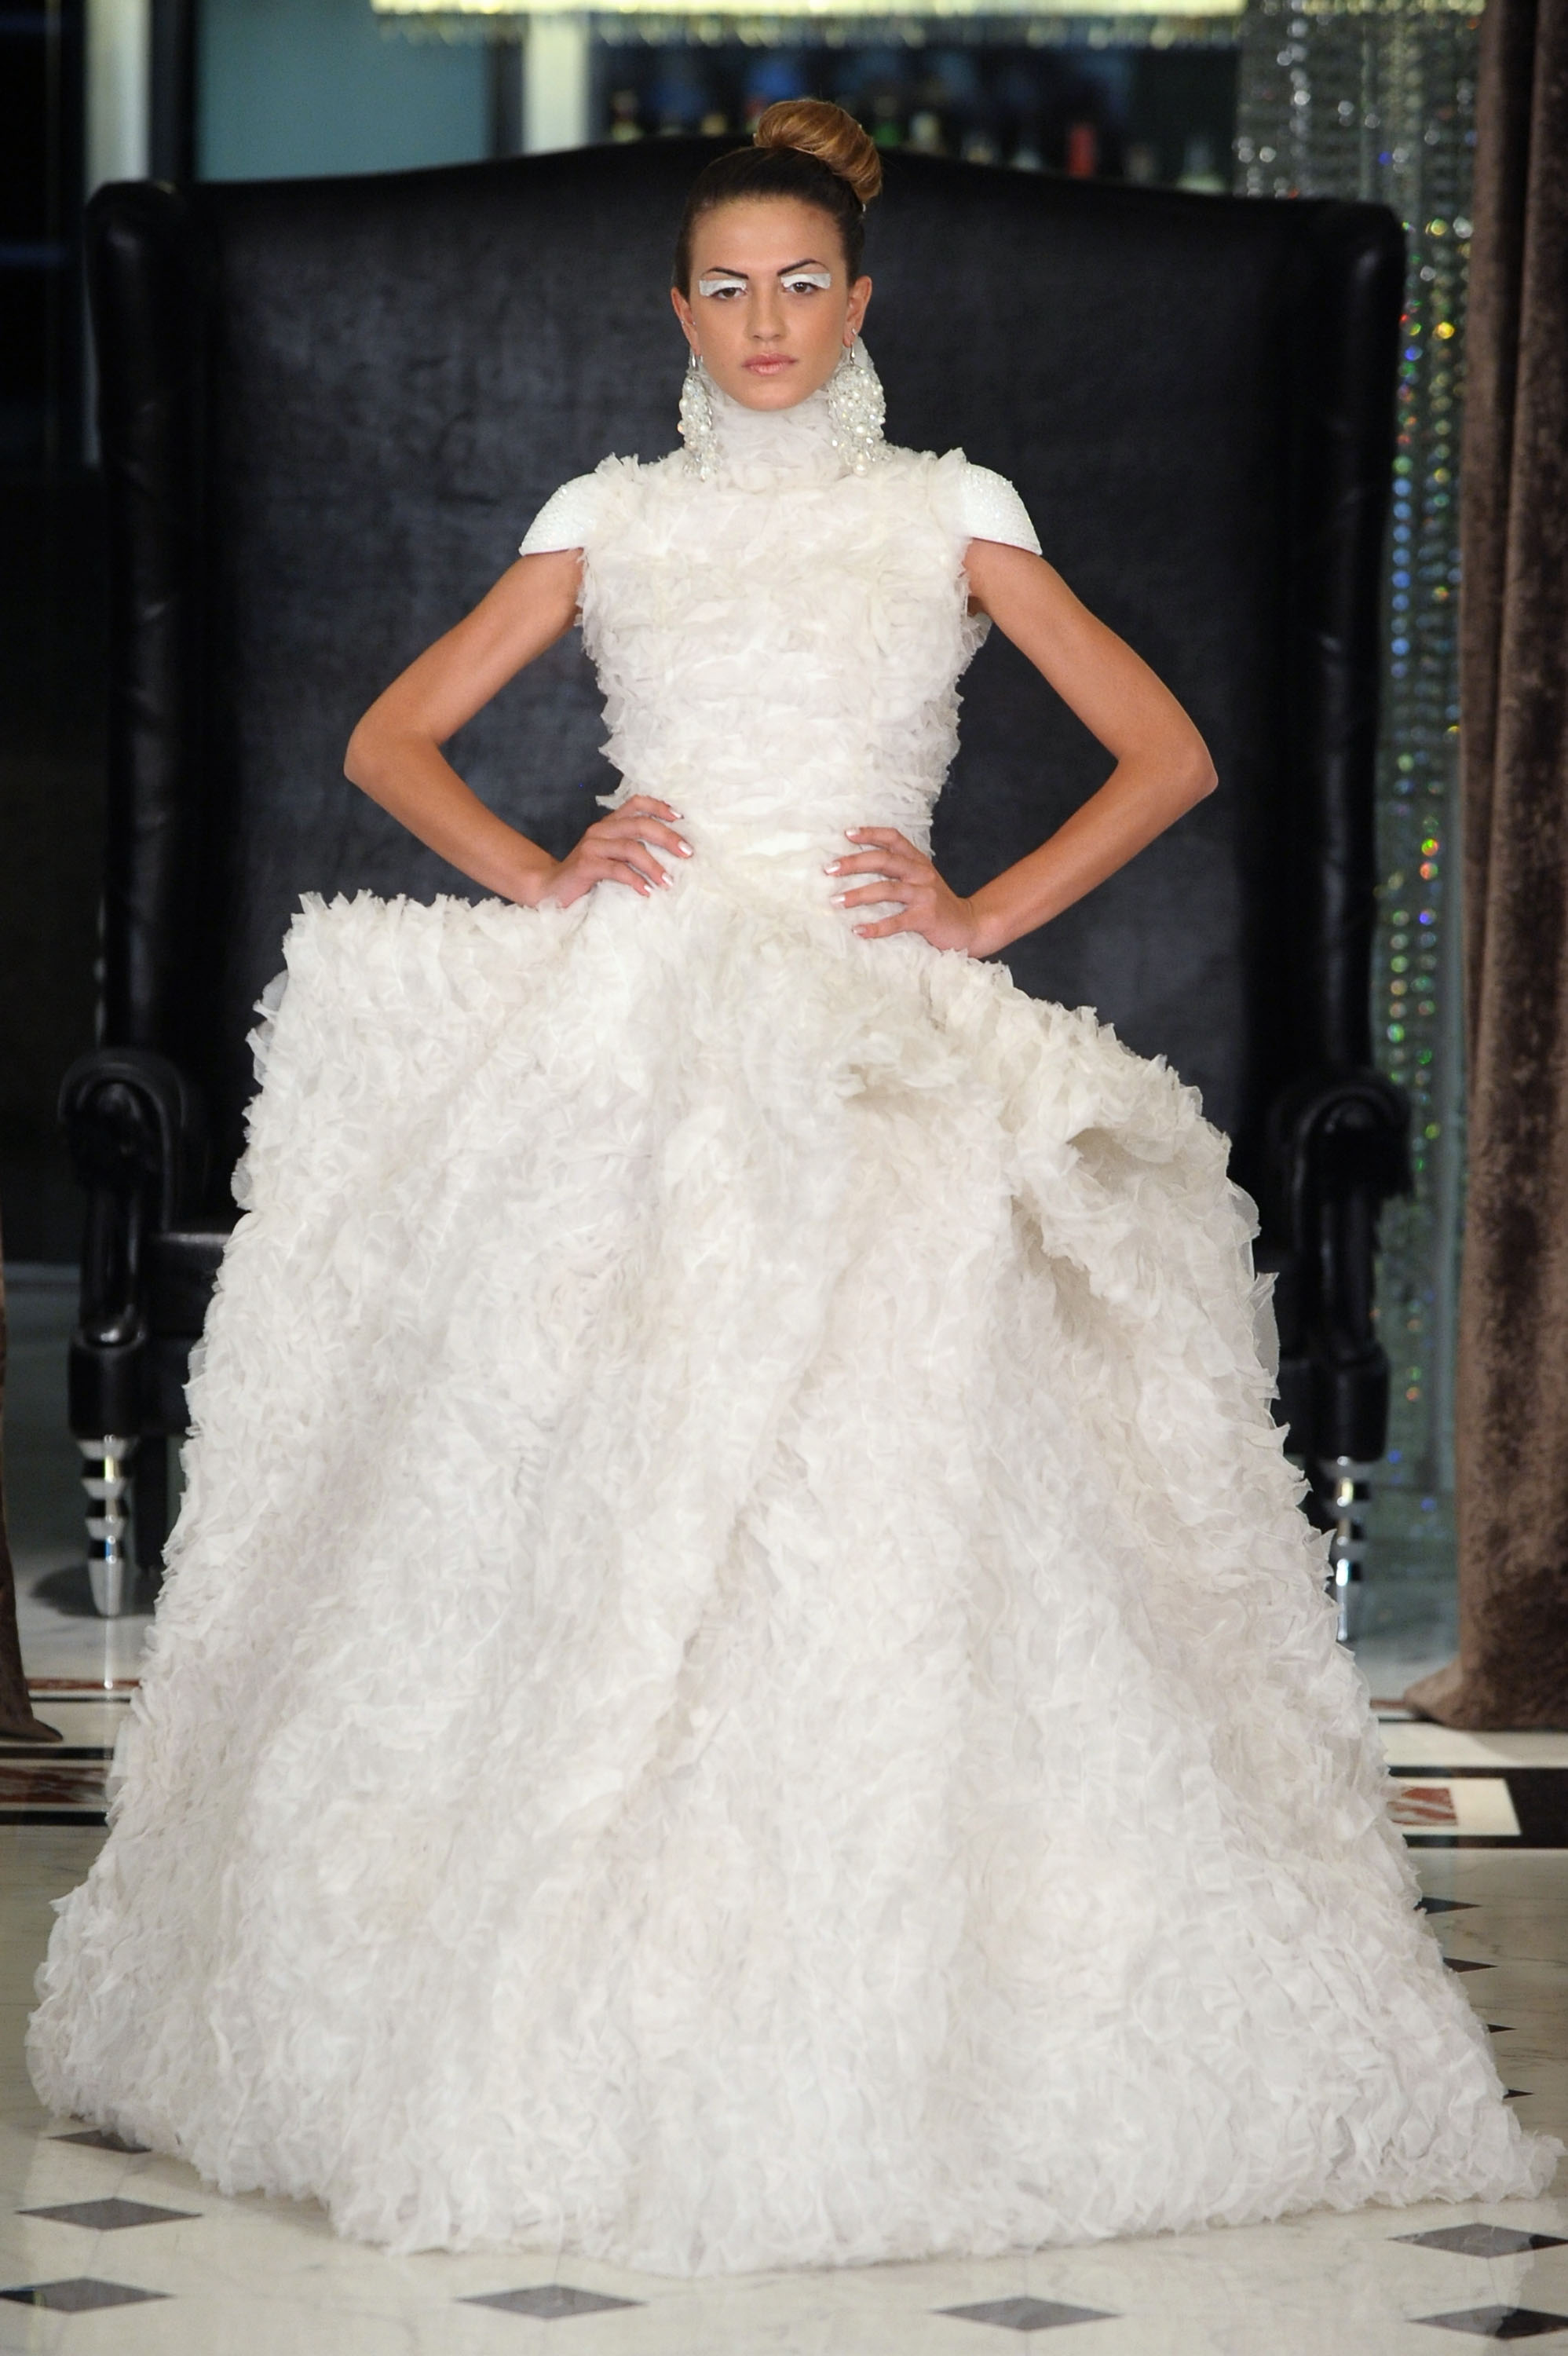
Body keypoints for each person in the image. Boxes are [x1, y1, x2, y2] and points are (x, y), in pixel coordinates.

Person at [27, 101, 1557, 2274]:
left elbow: (1171, 752)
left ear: (861, 303)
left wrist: (976, 911)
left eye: (802, 285)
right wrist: (546, 870)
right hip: (638, 1004)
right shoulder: (606, 515)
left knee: (901, 1435)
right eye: (729, 289)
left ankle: (904, 1970)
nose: (765, 322)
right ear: (680, 312)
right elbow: (389, 740)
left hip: (861, 1008)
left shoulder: (953, 511)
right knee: (577, 1438)